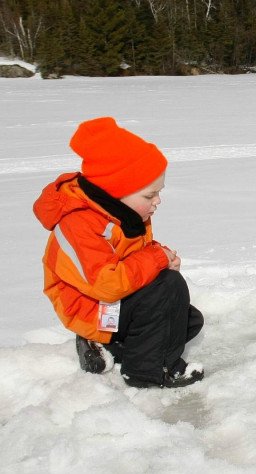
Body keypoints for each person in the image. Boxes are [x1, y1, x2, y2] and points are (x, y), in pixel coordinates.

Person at [33, 117, 205, 388]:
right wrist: (157, 260)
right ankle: (147, 371)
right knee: (167, 290)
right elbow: (107, 284)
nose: (157, 201)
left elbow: (131, 254)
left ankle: (110, 347)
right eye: (149, 196)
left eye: (158, 193)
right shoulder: (78, 224)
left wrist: (160, 256)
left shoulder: (121, 213)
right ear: (115, 192)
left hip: (113, 302)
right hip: (90, 307)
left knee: (187, 320)